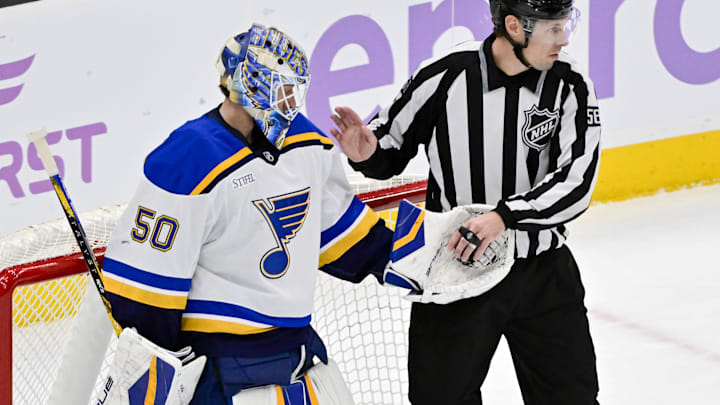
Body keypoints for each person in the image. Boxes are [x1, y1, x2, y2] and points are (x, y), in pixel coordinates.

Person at [101, 23, 395, 404]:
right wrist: (162, 368)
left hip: (296, 357)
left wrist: (426, 252)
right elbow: (144, 293)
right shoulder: (188, 159)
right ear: (253, 86)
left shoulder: (307, 143)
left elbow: (348, 239)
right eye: (284, 89)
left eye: (295, 91)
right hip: (220, 367)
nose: (292, 102)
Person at [331, 0, 601, 403]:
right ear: (514, 26)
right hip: (454, 270)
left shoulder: (570, 83)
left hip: (542, 275)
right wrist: (366, 152)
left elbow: (577, 183)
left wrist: (503, 217)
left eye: (565, 27)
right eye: (553, 29)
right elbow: (388, 148)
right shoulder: (445, 75)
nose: (563, 40)